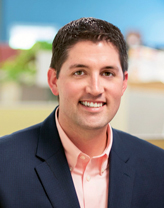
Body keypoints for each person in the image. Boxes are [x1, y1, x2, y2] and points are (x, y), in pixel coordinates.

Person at [0, 17, 164, 208]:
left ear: (123, 83)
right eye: (80, 72)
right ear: (54, 80)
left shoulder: (157, 167)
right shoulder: (4, 165)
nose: (95, 89)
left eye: (107, 73)